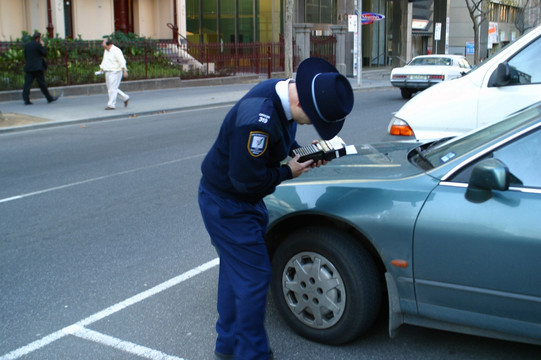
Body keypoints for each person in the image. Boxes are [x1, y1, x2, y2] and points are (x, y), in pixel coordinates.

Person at [198, 57, 354, 360]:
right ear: (303, 105)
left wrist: (300, 154)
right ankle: (252, 354)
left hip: (235, 201)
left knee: (236, 275)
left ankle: (228, 346)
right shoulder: (257, 120)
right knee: (254, 280)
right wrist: (288, 172)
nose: (312, 126)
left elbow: (279, 141)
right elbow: (246, 181)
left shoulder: (281, 94)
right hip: (229, 205)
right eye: (315, 121)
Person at [22, 32, 58, 105]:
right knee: (42, 84)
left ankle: (26, 99)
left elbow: (25, 56)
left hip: (29, 67)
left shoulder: (27, 45)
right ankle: (49, 98)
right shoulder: (38, 45)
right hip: (38, 68)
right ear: (38, 38)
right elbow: (44, 53)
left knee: (27, 84)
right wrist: (42, 45)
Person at [99, 39, 129, 110]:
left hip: (116, 71)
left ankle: (111, 105)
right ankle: (125, 97)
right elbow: (104, 60)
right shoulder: (106, 50)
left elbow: (122, 61)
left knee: (112, 88)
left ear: (109, 45)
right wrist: (101, 68)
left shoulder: (116, 50)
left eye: (105, 47)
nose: (104, 48)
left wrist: (124, 70)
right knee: (111, 88)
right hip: (108, 71)